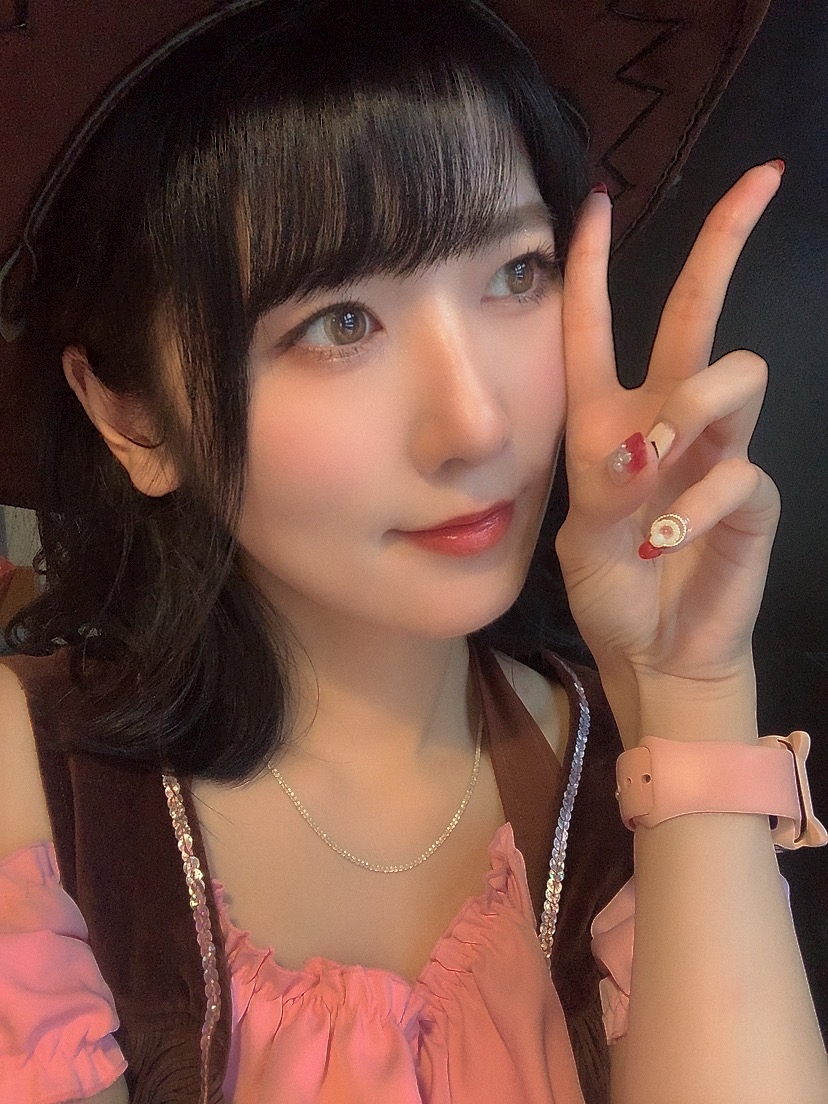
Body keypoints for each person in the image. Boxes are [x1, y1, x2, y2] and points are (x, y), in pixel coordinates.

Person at [0, 1, 825, 1102]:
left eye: (517, 274)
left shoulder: (628, 776)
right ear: (133, 417)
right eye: (340, 322)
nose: (476, 426)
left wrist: (691, 692)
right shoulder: (32, 785)